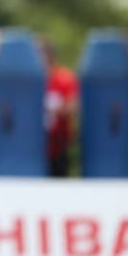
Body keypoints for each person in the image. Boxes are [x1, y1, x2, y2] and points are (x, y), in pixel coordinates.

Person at [41, 37, 79, 177]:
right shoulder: (31, 80)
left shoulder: (64, 78)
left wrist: (55, 110)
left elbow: (74, 106)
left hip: (58, 143)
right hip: (35, 146)